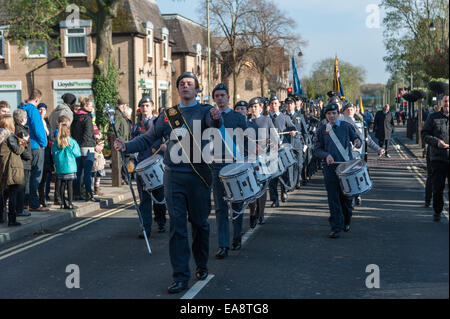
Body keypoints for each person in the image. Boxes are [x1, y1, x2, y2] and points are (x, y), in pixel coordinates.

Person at [114, 72, 222, 294]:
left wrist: (217, 117)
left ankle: (201, 265)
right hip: (173, 175)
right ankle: (180, 276)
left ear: (197, 89)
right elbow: (149, 137)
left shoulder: (204, 111)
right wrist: (127, 146)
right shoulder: (168, 115)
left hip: (198, 175)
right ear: (178, 89)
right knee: (177, 226)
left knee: (200, 224)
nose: (185, 86)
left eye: (189, 84)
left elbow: (214, 123)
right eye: (181, 84)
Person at [210, 84, 248, 259]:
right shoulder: (209, 117)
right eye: (217, 95)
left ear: (228, 97)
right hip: (216, 165)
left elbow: (245, 142)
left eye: (223, 95)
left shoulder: (238, 117)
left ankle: (237, 237)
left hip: (235, 166)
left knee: (236, 203)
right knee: (220, 207)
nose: (220, 98)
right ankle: (223, 244)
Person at [314, 102, 361, 238]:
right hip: (330, 169)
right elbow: (316, 149)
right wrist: (326, 155)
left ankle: (347, 219)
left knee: (346, 197)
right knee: (333, 198)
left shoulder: (346, 126)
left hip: (346, 168)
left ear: (338, 114)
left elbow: (357, 139)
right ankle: (336, 227)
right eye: (329, 114)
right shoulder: (322, 129)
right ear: (326, 115)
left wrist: (358, 141)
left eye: (334, 113)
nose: (332, 116)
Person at [130, 96, 167, 238]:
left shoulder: (159, 123)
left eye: (147, 105)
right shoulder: (136, 126)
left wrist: (165, 145)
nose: (144, 108)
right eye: (142, 106)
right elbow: (134, 142)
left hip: (156, 163)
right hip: (142, 165)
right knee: (144, 199)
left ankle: (161, 221)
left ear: (152, 107)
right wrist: (132, 157)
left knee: (159, 196)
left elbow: (167, 138)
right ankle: (145, 228)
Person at [247, 97, 277, 226]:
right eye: (252, 107)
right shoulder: (246, 121)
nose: (254, 109)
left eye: (256, 106)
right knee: (251, 188)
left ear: (261, 107)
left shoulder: (267, 120)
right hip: (249, 159)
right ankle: (253, 211)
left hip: (263, 158)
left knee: (263, 187)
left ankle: (261, 214)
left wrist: (271, 144)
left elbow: (275, 138)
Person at [18, 89, 49, 212]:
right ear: (37, 99)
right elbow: (38, 129)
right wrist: (44, 143)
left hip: (24, 146)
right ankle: (34, 203)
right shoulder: (33, 110)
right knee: (36, 175)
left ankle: (25, 202)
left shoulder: (21, 108)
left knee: (26, 176)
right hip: (36, 146)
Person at [421, 94, 449, 222]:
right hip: (438, 158)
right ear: (442, 103)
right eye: (445, 101)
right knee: (438, 188)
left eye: (448, 101)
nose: (447, 103)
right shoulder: (433, 117)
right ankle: (437, 211)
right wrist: (436, 142)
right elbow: (424, 134)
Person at [268, 96, 296, 206]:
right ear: (269, 106)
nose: (274, 106)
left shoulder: (285, 118)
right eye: (272, 104)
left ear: (279, 104)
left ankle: (284, 191)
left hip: (281, 150)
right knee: (272, 176)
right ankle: (274, 199)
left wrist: (293, 131)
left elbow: (292, 127)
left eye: (275, 103)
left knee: (283, 173)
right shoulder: (267, 119)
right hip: (269, 150)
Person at [0, 114, 27, 227]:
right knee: (13, 195)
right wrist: (23, 142)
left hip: (4, 167)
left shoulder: (2, 135)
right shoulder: (9, 136)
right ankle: (12, 220)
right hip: (12, 168)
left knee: (4, 194)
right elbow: (18, 150)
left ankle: (2, 217)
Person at [71, 96, 99, 202]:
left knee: (78, 172)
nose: (92, 108)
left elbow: (73, 133)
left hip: (77, 148)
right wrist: (94, 141)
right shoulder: (87, 117)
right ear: (86, 106)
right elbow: (88, 134)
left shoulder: (75, 117)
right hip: (87, 147)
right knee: (88, 173)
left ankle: (76, 194)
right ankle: (89, 194)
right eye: (91, 106)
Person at [52, 115, 81, 210]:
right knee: (70, 186)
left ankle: (63, 204)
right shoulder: (72, 141)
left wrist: (56, 163)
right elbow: (77, 154)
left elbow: (54, 153)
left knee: (62, 185)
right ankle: (70, 204)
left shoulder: (56, 142)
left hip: (60, 166)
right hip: (70, 166)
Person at [13, 109, 32, 216]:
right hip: (23, 162)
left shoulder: (17, 128)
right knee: (22, 187)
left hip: (22, 162)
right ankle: (20, 209)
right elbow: (22, 148)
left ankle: (19, 208)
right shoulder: (21, 131)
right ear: (22, 119)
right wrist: (29, 156)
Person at [285, 97, 305, 189]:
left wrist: (306, 144)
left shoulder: (299, 116)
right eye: (287, 104)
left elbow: (304, 131)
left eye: (291, 104)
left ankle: (298, 179)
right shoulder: (284, 116)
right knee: (289, 165)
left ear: (294, 105)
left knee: (299, 164)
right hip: (288, 143)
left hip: (298, 143)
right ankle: (291, 182)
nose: (289, 106)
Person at [37, 103, 53, 208]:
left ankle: (44, 197)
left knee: (46, 177)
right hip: (40, 152)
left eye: (44, 109)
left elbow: (50, 135)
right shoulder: (36, 122)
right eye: (40, 109)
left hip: (48, 153)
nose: (42, 111)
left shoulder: (47, 122)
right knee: (40, 178)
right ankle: (40, 199)